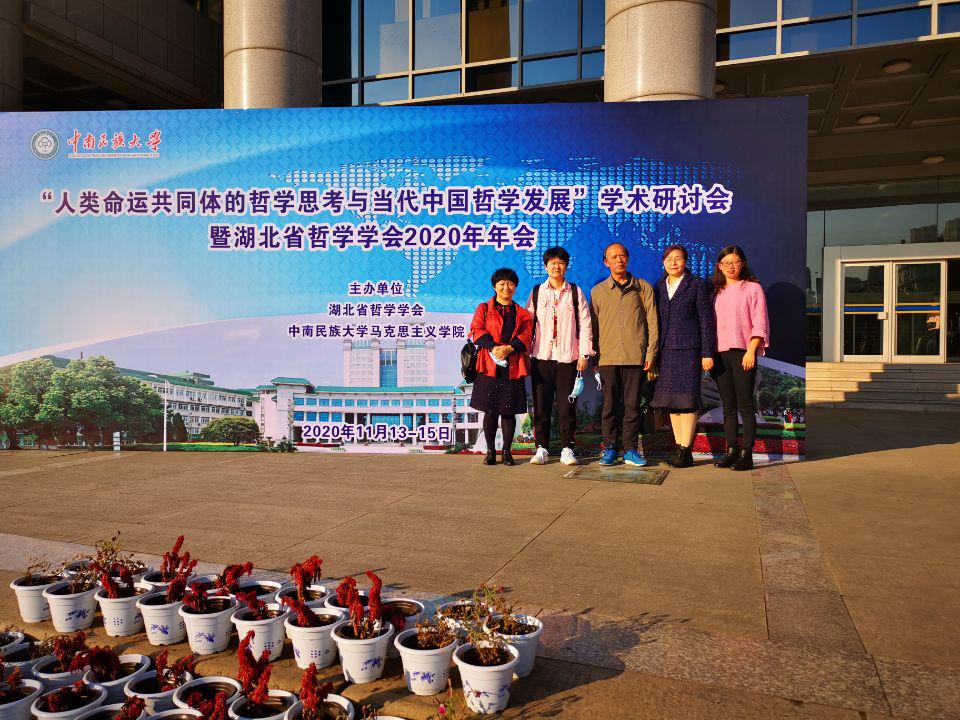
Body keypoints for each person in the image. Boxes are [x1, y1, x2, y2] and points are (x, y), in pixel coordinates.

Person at [590, 242, 659, 466]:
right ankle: (610, 448)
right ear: (606, 262)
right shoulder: (598, 291)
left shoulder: (643, 288)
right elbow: (593, 328)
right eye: (613, 257)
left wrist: (650, 353)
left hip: (635, 356)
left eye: (622, 255)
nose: (619, 260)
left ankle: (630, 449)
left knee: (632, 406)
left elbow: (652, 323)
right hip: (607, 357)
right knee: (609, 406)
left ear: (628, 258)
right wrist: (595, 358)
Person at [524, 247, 594, 466]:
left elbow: (585, 324)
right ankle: (541, 448)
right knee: (541, 406)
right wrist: (525, 353)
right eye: (552, 262)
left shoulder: (575, 292)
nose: (557, 266)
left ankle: (567, 448)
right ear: (545, 266)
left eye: (561, 262)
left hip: (568, 358)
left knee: (567, 407)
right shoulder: (537, 292)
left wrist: (584, 354)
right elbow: (527, 325)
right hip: (541, 358)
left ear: (566, 266)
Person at [652, 244, 716, 468]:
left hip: (689, 350)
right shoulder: (659, 286)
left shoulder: (696, 284)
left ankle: (686, 449)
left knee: (687, 401)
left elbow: (706, 321)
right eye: (669, 258)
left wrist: (707, 352)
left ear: (685, 261)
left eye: (678, 258)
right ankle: (679, 448)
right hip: (666, 351)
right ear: (663, 262)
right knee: (673, 402)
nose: (673, 262)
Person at [711, 245, 770, 471]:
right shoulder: (716, 292)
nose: (731, 266)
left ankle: (747, 454)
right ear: (719, 266)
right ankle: (731, 451)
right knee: (728, 406)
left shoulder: (753, 288)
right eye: (726, 263)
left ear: (743, 263)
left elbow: (760, 321)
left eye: (735, 262)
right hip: (720, 354)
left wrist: (751, 350)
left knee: (745, 405)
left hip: (744, 353)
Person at [469, 267, 533, 466]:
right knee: (490, 411)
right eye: (502, 284)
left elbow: (527, 336)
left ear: (515, 287)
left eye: (511, 284)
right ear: (494, 286)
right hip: (489, 365)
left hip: (513, 366)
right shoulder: (484, 308)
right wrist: (494, 347)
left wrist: (509, 348)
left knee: (509, 411)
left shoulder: (522, 313)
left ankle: (506, 451)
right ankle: (490, 451)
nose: (506, 287)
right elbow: (476, 330)